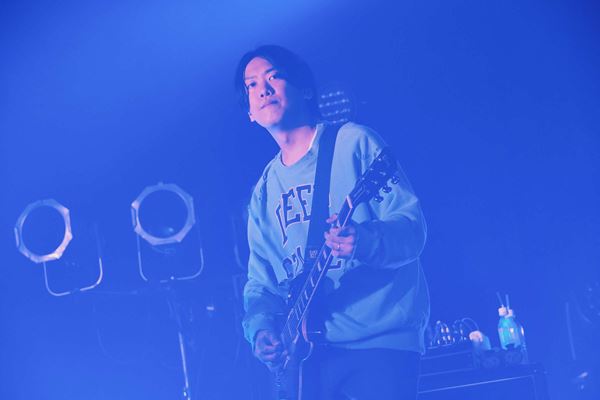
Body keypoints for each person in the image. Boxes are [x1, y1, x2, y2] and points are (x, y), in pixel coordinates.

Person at [236, 44, 430, 400]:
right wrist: (262, 329)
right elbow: (261, 283)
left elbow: (412, 229)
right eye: (251, 85)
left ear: (305, 89)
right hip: (308, 357)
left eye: (274, 76)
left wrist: (365, 240)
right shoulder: (263, 191)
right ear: (249, 112)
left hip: (379, 345)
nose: (263, 89)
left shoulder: (354, 142)